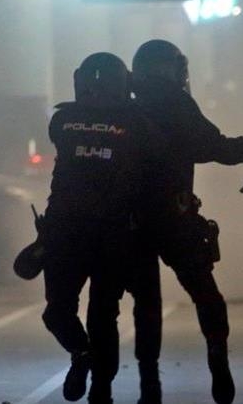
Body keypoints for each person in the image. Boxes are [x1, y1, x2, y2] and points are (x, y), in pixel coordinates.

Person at [128, 39, 243, 404]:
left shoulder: (126, 108)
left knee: (146, 304)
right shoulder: (177, 103)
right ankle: (218, 363)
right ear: (171, 70)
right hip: (176, 217)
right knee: (206, 295)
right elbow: (216, 148)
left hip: (134, 222)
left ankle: (149, 387)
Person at [40, 52, 164, 404]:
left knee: (59, 311)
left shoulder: (63, 121)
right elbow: (158, 155)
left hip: (70, 232)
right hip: (110, 235)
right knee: (101, 316)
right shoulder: (138, 123)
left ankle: (87, 364)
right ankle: (96, 378)